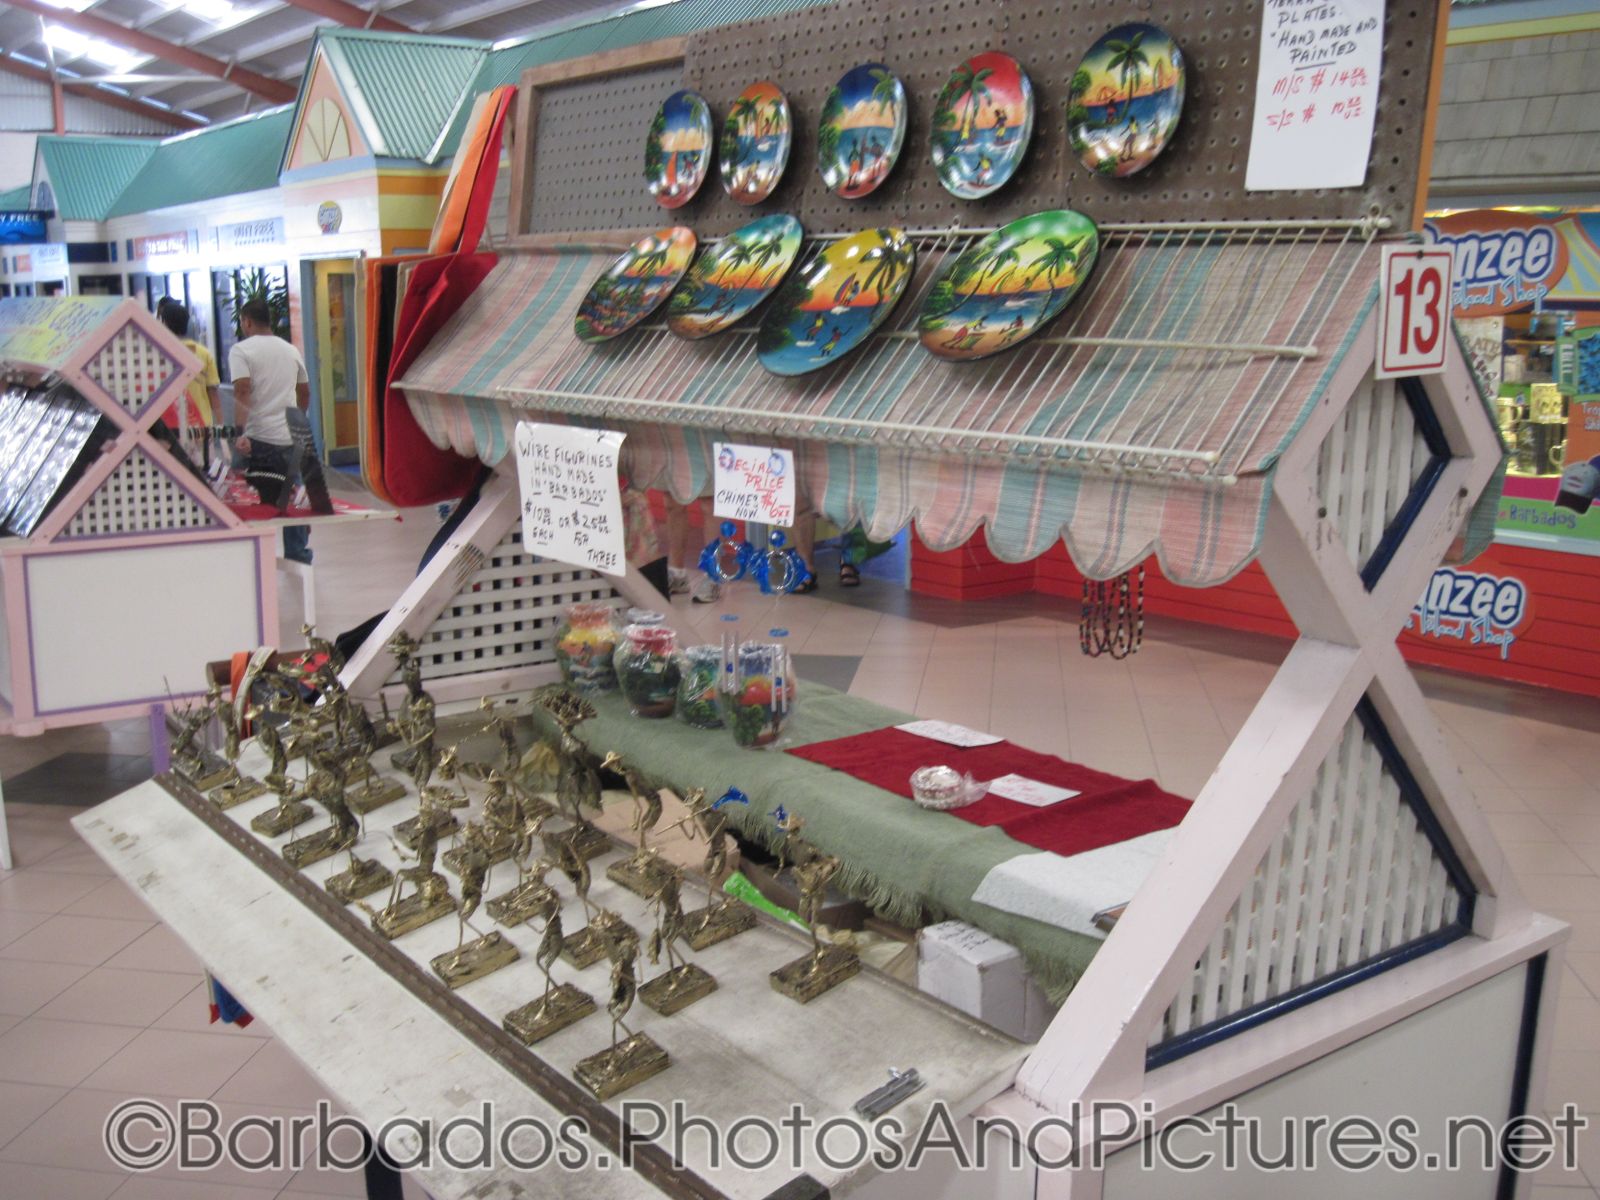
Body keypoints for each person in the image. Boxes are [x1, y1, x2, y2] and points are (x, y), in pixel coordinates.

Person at [229, 299, 332, 564]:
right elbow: (305, 391)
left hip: (256, 438)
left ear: (247, 321)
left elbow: (242, 390)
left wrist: (241, 432)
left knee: (249, 495)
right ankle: (298, 554)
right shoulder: (291, 350)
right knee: (290, 495)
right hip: (288, 436)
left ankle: (251, 556)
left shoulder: (241, 351)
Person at [157, 302, 220, 432]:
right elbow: (213, 393)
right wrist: (220, 425)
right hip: (201, 426)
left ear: (164, 323)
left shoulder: (159, 355)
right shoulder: (204, 353)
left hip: (170, 429)